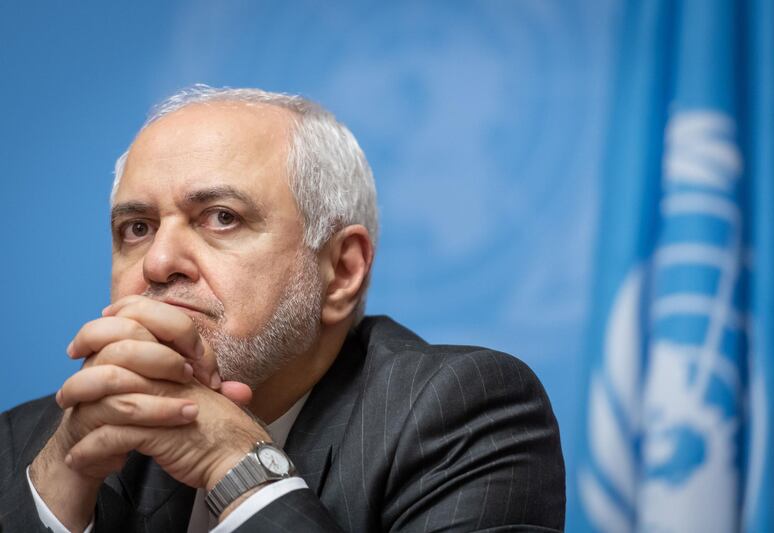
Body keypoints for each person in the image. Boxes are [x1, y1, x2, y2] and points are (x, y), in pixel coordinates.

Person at [0, 85, 565, 532]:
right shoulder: (29, 441)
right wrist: (62, 485)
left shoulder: (463, 413)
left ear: (342, 270)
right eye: (137, 228)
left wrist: (237, 468)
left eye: (221, 217)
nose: (159, 262)